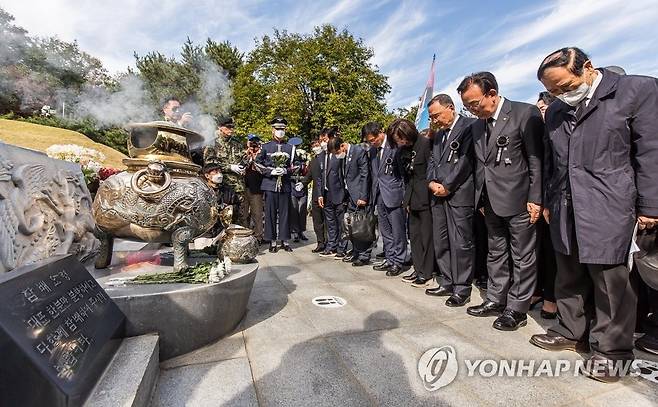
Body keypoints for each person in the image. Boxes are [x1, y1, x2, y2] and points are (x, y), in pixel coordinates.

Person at [529, 47, 658, 382]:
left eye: (564, 86)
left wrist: (651, 206)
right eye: (552, 90)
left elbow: (650, 150)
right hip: (565, 204)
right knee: (568, 272)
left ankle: (612, 351)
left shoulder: (636, 90)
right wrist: (545, 201)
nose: (559, 95)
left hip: (610, 202)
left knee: (610, 281)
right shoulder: (557, 109)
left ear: (586, 67)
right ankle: (571, 330)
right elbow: (550, 159)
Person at [458, 71, 544, 331]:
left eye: (475, 104)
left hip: (520, 200)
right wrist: (481, 198)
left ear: (492, 94)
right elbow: (480, 165)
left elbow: (536, 160)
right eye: (467, 107)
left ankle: (517, 309)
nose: (472, 111)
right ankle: (496, 300)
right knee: (495, 253)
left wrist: (536, 198)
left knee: (522, 256)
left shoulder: (524, 113)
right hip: (490, 203)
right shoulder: (476, 126)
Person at [424, 94, 476, 306]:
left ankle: (462, 287)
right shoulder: (438, 135)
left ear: (450, 108)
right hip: (438, 195)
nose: (434, 121)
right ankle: (446, 280)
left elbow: (465, 162)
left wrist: (448, 186)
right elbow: (432, 161)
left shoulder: (469, 127)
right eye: (431, 117)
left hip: (458, 193)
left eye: (436, 115)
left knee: (460, 243)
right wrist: (431, 182)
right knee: (441, 240)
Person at [388, 119, 434, 287]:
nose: (399, 142)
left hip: (427, 198)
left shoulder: (426, 144)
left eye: (400, 137)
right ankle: (418, 268)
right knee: (413, 236)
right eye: (396, 139)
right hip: (411, 198)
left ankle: (426, 272)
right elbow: (406, 179)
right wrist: (406, 201)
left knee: (426, 237)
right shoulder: (401, 152)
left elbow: (431, 172)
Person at [362, 122, 407, 276]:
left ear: (381, 132)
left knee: (398, 231)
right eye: (369, 141)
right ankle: (389, 257)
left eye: (374, 139)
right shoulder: (373, 152)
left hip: (395, 195)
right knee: (385, 231)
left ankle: (399, 261)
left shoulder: (395, 145)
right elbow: (375, 175)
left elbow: (402, 175)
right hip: (380, 195)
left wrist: (404, 196)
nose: (372, 142)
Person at [532, 91, 559, 319]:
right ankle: (536, 290)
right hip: (534, 200)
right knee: (535, 250)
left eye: (543, 108)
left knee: (552, 252)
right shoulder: (535, 133)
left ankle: (551, 297)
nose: (540, 112)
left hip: (552, 201)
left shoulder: (557, 130)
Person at [327, 136, 371, 266]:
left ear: (342, 146)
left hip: (359, 196)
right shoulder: (345, 156)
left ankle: (364, 255)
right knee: (352, 226)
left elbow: (365, 174)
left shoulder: (358, 151)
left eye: (336, 153)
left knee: (362, 226)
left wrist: (363, 196)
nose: (336, 156)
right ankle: (357, 251)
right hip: (349, 195)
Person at [256, 117, 298, 253]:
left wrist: (287, 170)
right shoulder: (265, 146)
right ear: (272, 130)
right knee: (270, 213)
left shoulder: (291, 148)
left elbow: (298, 164)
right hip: (270, 185)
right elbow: (257, 163)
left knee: (285, 213)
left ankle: (285, 240)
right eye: (278, 129)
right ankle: (272, 241)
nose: (280, 131)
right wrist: (270, 171)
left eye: (283, 129)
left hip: (285, 184)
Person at [206, 117, 247, 226]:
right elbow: (209, 164)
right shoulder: (212, 144)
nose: (231, 129)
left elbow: (243, 159)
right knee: (222, 218)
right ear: (220, 127)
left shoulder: (237, 143)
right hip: (222, 187)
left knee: (240, 217)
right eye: (228, 127)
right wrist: (229, 167)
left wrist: (243, 167)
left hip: (238, 186)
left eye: (232, 127)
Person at [318, 129, 348, 259]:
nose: (323, 143)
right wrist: (320, 194)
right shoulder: (321, 156)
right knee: (330, 222)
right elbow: (320, 176)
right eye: (322, 141)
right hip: (326, 193)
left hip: (339, 193)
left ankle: (342, 247)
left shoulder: (339, 155)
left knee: (341, 222)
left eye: (325, 140)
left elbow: (344, 174)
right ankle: (331, 245)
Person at [300, 138, 327, 253]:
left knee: (328, 221)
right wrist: (302, 183)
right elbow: (310, 175)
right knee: (317, 221)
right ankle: (320, 242)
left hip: (327, 194)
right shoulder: (313, 160)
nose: (315, 147)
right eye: (313, 145)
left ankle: (330, 242)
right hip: (316, 194)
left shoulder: (327, 157)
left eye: (316, 144)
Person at [242, 134, 264, 243]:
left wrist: (256, 156)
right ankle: (245, 234)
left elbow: (263, 169)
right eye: (251, 143)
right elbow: (241, 166)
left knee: (257, 214)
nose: (253, 146)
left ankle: (258, 236)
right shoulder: (243, 154)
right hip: (243, 187)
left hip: (257, 188)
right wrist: (247, 155)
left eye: (255, 143)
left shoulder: (261, 156)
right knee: (244, 213)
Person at [289, 137, 309, 242]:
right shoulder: (289, 159)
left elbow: (307, 173)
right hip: (292, 186)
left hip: (302, 187)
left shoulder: (305, 158)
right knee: (294, 209)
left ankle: (301, 231)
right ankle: (295, 231)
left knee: (302, 209)